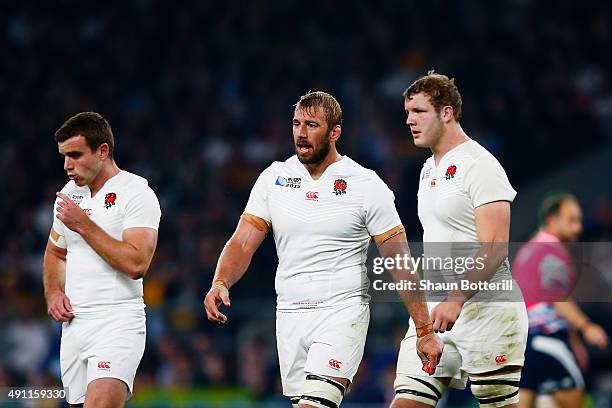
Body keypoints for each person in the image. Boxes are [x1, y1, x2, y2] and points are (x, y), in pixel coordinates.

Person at [203, 91, 442, 408]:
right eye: (296, 123)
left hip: (341, 313)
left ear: (334, 132)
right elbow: (243, 241)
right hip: (289, 315)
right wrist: (221, 281)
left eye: (311, 125)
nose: (301, 133)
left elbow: (399, 260)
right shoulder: (274, 178)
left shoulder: (365, 185)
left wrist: (424, 329)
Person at [392, 72, 528, 408]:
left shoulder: (480, 165)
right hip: (436, 313)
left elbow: (495, 247)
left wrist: (456, 298)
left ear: (447, 112)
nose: (409, 120)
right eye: (408, 112)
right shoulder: (427, 170)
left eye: (419, 112)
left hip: (488, 310)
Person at [43, 112, 161, 407]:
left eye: (75, 155)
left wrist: (83, 224)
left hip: (117, 321)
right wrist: (54, 292)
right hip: (74, 326)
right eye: (63, 156)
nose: (67, 165)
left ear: (102, 151)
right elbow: (56, 252)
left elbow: (137, 264)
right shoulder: (70, 195)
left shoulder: (136, 193)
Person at [513, 193, 608, 408]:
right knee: (577, 399)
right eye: (572, 220)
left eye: (579, 221)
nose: (578, 228)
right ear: (552, 221)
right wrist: (587, 327)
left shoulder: (527, 250)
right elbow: (558, 299)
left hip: (524, 343)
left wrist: (574, 342)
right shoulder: (553, 252)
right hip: (547, 338)